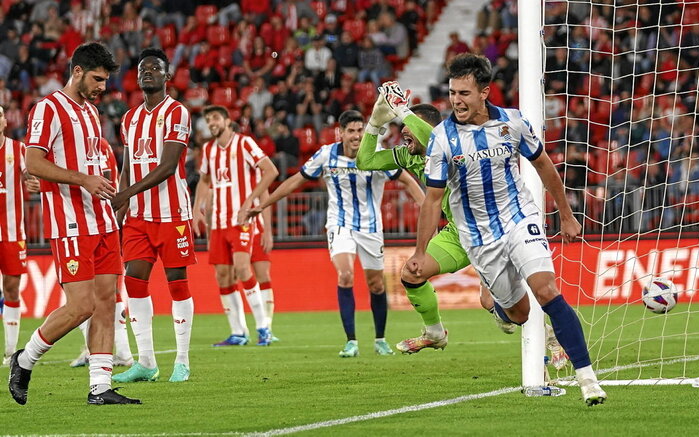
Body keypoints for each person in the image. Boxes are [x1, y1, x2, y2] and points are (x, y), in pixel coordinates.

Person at [406, 53, 606, 406]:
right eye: (453, 92)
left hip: (519, 218)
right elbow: (433, 199)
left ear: (484, 92)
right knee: (519, 313)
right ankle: (499, 305)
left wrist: (566, 213)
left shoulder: (512, 123)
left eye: (464, 93)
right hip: (479, 237)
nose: (456, 100)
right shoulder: (441, 139)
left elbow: (542, 163)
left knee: (546, 290)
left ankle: (587, 379)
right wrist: (421, 251)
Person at [10, 42, 141, 405]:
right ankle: (25, 358)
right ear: (78, 72)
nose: (103, 87)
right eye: (97, 79)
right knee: (81, 306)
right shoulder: (48, 109)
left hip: (101, 221)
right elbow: (33, 161)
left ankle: (100, 387)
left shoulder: (90, 113)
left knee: (106, 304)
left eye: (106, 80)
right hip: (70, 223)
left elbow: (88, 162)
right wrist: (82, 180)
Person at [244, 110, 424, 357]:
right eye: (351, 131)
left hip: (371, 226)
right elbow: (295, 181)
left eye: (360, 130)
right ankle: (351, 342)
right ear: (341, 133)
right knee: (346, 275)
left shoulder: (377, 154)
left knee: (375, 284)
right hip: (339, 224)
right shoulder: (327, 154)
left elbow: (408, 181)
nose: (356, 135)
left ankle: (380, 339)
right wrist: (262, 205)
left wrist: (428, 210)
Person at [356, 84, 516, 356]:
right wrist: (373, 124)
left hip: (492, 229)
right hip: (458, 233)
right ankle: (434, 333)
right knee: (412, 273)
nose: (403, 138)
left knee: (496, 305)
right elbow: (365, 160)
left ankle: (550, 338)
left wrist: (402, 111)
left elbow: (431, 138)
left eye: (408, 133)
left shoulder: (449, 142)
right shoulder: (409, 154)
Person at [110, 48, 195, 383]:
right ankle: (146, 362)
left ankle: (182, 360)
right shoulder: (129, 119)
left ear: (167, 75)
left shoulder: (177, 113)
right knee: (134, 283)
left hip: (171, 213)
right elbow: (128, 167)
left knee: (177, 284)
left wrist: (125, 195)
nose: (148, 72)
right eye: (142, 68)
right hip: (139, 218)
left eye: (155, 68)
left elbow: (168, 166)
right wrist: (121, 204)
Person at [192, 105, 278, 346]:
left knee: (243, 268)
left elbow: (271, 171)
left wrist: (250, 201)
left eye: (216, 118)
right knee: (222, 276)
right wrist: (196, 208)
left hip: (241, 220)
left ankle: (263, 327)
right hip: (218, 222)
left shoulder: (244, 143)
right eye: (208, 119)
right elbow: (205, 180)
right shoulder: (208, 149)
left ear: (228, 121)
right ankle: (238, 332)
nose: (211, 123)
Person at [69, 137, 134, 368]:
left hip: (93, 224)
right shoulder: (97, 145)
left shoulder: (97, 145)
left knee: (90, 293)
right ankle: (105, 351)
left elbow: (107, 182)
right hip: (96, 223)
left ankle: (120, 352)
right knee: (96, 293)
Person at [0, 105, 40, 366]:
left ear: (4, 121)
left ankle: (10, 351)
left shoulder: (18, 149)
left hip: (12, 232)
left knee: (12, 289)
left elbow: (30, 172)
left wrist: (32, 180)